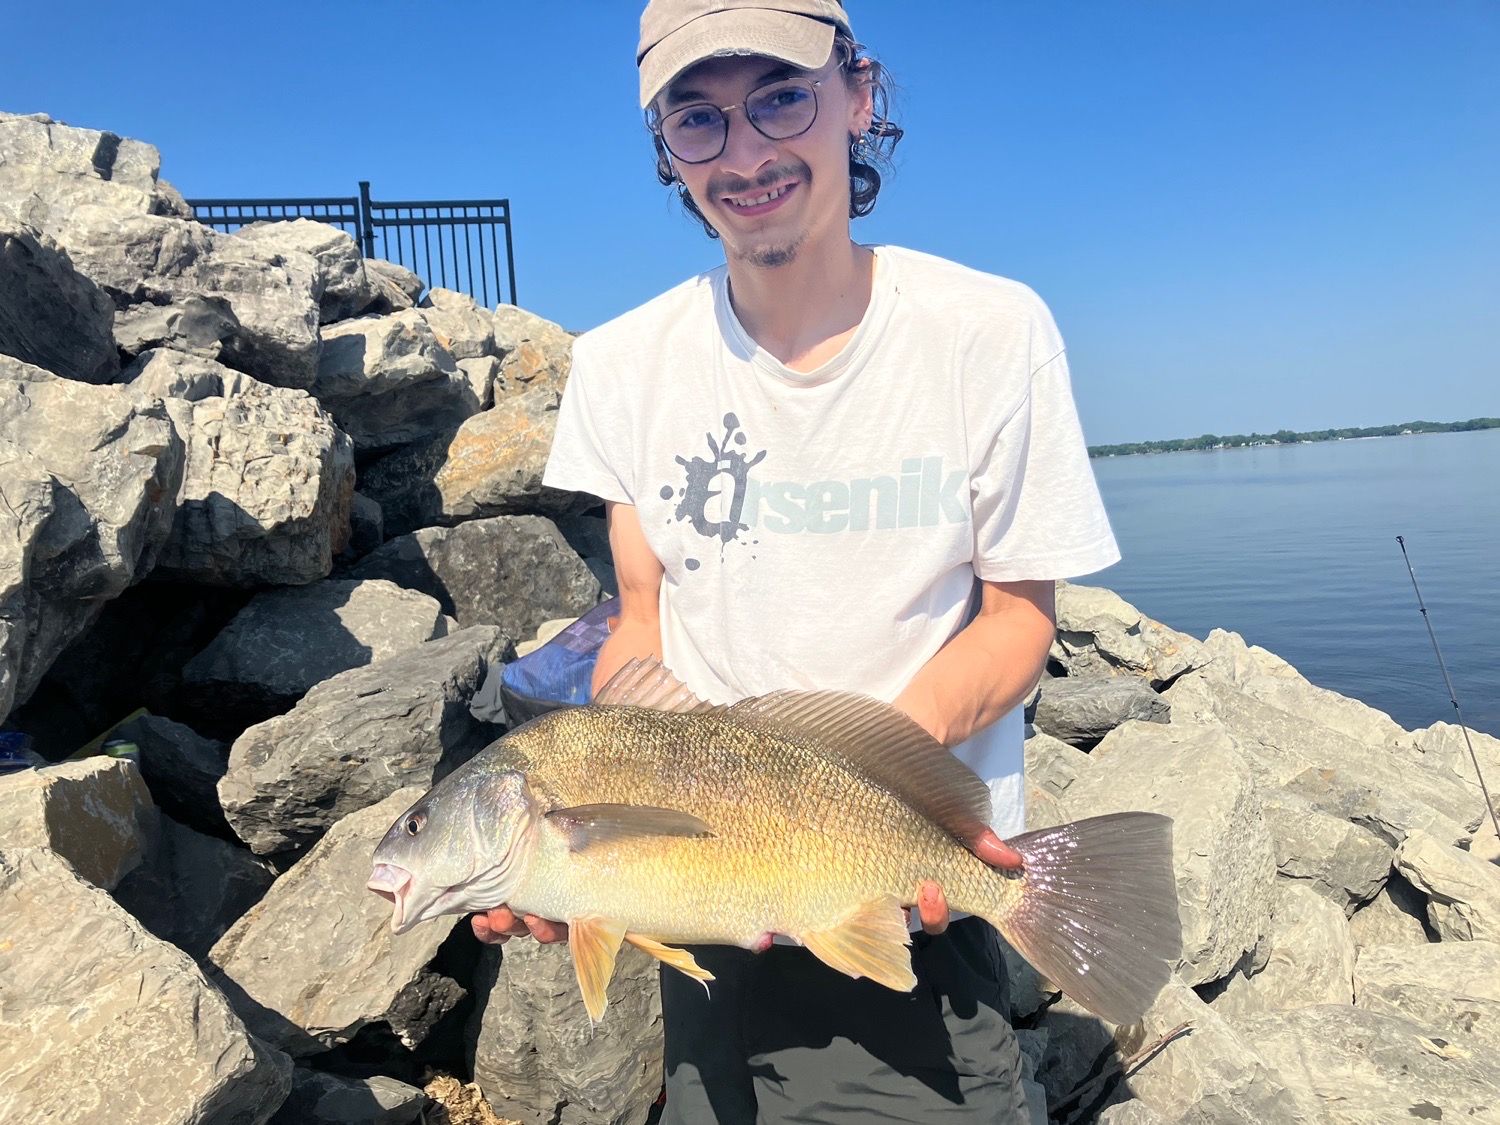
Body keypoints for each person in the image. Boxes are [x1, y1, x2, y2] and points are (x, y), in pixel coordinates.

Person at [473, 1, 1120, 1119]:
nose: (748, 153)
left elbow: (1019, 619)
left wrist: (874, 779)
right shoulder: (625, 364)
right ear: (667, 151)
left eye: (781, 96)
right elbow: (639, 626)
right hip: (697, 896)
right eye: (699, 120)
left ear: (859, 95)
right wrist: (554, 861)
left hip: (911, 881)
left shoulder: (990, 329)